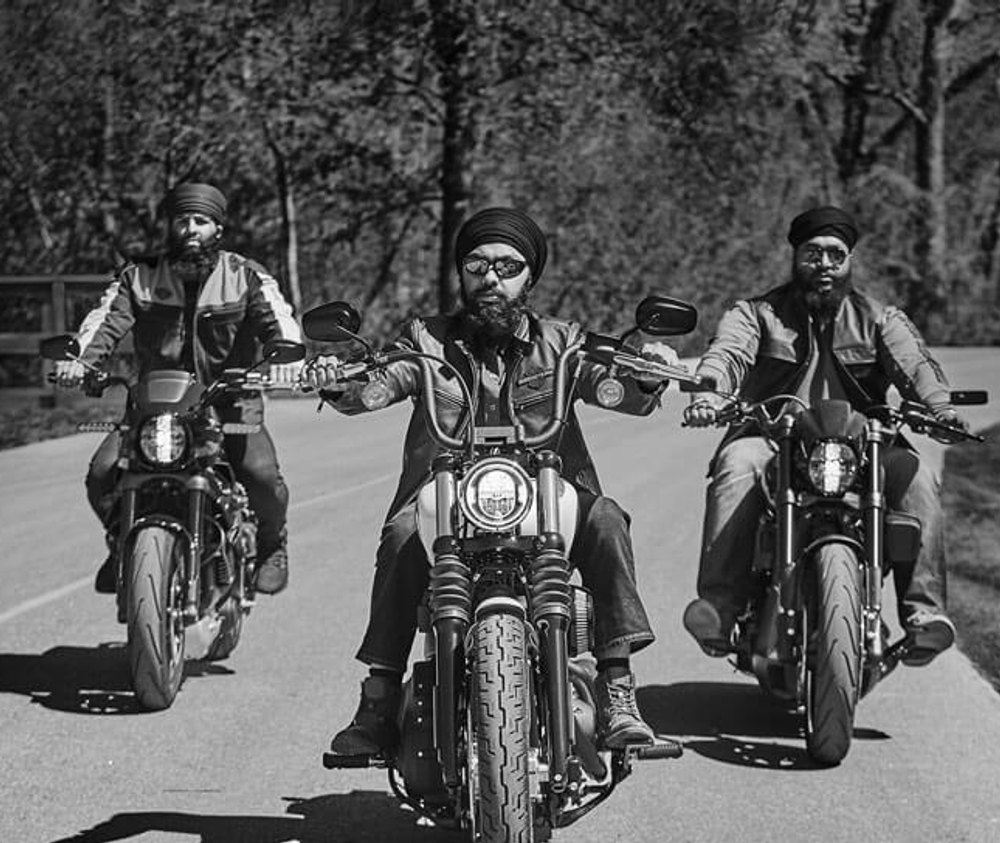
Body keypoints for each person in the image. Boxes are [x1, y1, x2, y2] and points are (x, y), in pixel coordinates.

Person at [306, 206, 680, 753]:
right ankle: (378, 700)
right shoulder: (426, 341)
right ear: (461, 273)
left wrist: (645, 372)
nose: (491, 279)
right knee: (402, 533)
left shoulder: (564, 343)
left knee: (605, 517)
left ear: (530, 277)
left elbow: (613, 387)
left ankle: (618, 690)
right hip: (449, 497)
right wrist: (338, 381)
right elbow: (378, 386)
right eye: (477, 265)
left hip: (546, 496)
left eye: (508, 266)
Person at [682, 205, 968, 666]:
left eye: (836, 254)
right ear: (795, 257)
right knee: (736, 465)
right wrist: (710, 396)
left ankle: (924, 616)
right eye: (812, 253)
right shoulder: (757, 314)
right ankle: (720, 607)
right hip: (776, 437)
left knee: (918, 478)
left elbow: (916, 366)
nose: (824, 265)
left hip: (863, 444)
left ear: (851, 260)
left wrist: (941, 410)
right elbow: (726, 354)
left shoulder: (879, 318)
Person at [54, 181, 302, 595]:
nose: (190, 229)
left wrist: (288, 362)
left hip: (230, 403)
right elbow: (105, 324)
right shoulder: (139, 277)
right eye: (182, 220)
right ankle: (123, 546)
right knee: (102, 474)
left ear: (217, 230)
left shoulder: (245, 276)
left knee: (260, 476)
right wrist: (79, 362)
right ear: (169, 226)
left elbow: (281, 325)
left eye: (201, 221)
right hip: (157, 404)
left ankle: (272, 544)